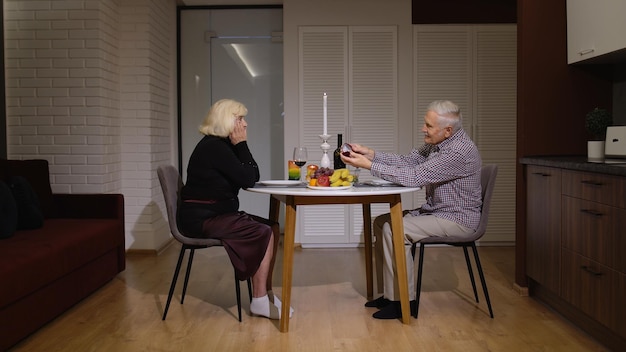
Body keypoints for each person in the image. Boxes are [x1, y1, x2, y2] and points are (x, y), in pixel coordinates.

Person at [341, 100, 482, 319]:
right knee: (381, 223)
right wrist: (370, 154)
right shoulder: (438, 143)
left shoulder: (458, 152)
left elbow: (414, 176)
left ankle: (404, 302)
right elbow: (408, 161)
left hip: (457, 218)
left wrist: (368, 166)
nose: (423, 129)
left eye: (428, 126)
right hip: (437, 212)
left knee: (393, 228)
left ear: (447, 130)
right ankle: (391, 295)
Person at [177, 98, 291, 320]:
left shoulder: (222, 146)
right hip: (202, 218)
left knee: (272, 227)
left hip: (215, 214)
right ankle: (258, 300)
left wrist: (239, 146)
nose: (245, 124)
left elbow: (253, 175)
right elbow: (249, 179)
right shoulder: (214, 147)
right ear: (225, 120)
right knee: (263, 231)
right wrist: (242, 144)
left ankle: (265, 294)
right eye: (240, 118)